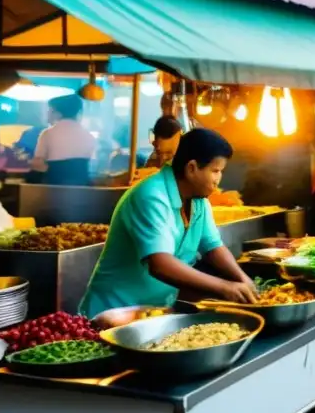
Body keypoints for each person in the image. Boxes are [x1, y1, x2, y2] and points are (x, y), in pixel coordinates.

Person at [78, 129, 257, 317]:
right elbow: (160, 264)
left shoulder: (198, 201)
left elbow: (213, 247)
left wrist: (244, 281)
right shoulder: (151, 196)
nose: (218, 179)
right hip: (113, 313)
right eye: (215, 171)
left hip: (154, 312)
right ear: (192, 168)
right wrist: (224, 287)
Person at [31, 94, 96, 186]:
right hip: (83, 189)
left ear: (58, 113)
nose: (47, 113)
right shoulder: (89, 135)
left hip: (54, 187)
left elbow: (38, 164)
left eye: (50, 110)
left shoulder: (48, 133)